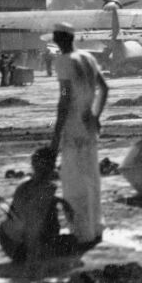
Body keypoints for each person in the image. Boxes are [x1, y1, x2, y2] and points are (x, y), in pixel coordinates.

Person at [50, 22, 107, 248]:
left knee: (74, 181)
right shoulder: (88, 58)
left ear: (59, 38)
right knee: (91, 177)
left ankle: (82, 233)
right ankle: (95, 228)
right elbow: (104, 88)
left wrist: (56, 134)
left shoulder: (63, 62)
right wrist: (96, 115)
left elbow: (64, 97)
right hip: (88, 124)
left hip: (73, 125)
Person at [0, 147, 79, 263]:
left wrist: (60, 201)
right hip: (23, 249)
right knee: (71, 242)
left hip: (10, 244)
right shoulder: (44, 189)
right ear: (51, 168)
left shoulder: (24, 185)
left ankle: (40, 248)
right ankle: (40, 250)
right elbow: (33, 224)